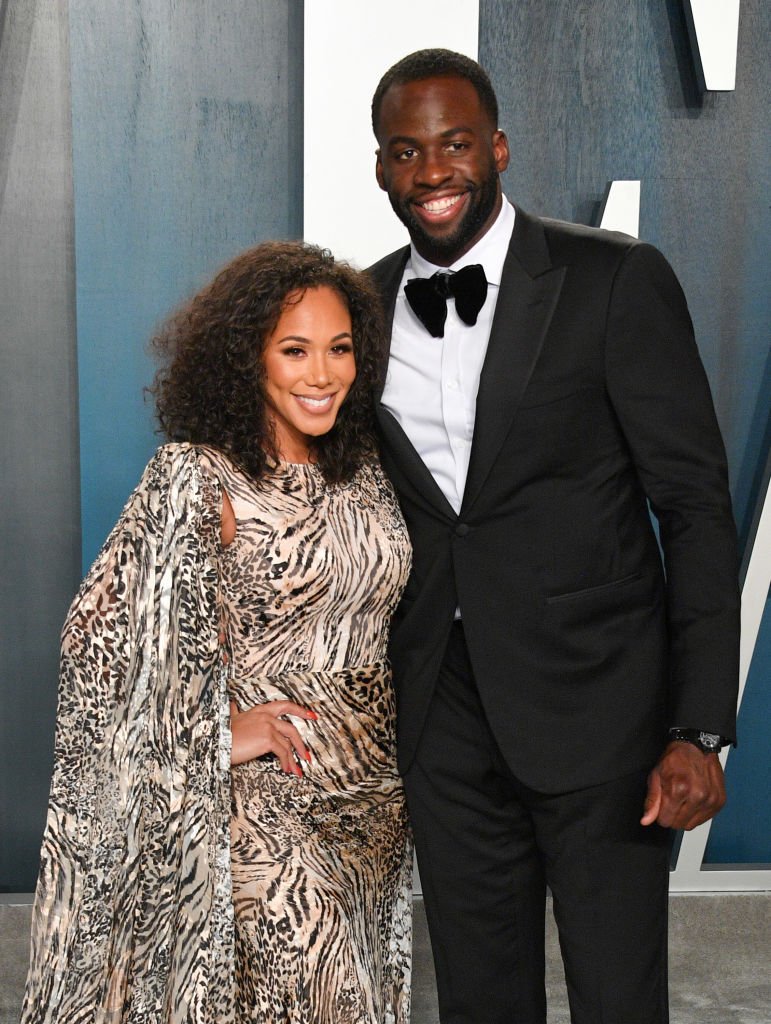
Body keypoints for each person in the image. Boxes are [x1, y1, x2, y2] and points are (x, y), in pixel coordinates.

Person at [367, 48, 740, 1024]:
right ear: (381, 168)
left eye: (454, 144)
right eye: (406, 151)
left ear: (496, 147)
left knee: (620, 999)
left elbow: (696, 505)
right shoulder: (357, 313)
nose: (432, 172)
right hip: (443, 720)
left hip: (604, 720)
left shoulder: (612, 279)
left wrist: (697, 728)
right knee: (480, 1003)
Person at [20, 241, 413, 1024]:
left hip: (371, 804)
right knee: (312, 985)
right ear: (248, 360)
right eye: (293, 350)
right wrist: (213, 734)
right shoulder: (199, 477)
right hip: (266, 805)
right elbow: (96, 649)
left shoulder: (367, 466)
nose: (321, 374)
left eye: (339, 349)